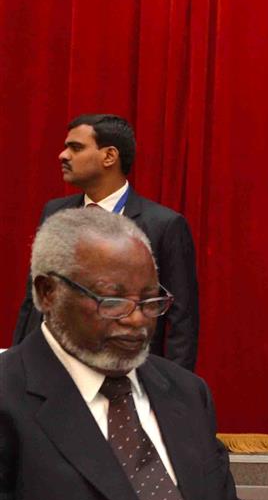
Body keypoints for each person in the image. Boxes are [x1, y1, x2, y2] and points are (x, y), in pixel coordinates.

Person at [0, 209, 261, 500]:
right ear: (47, 293)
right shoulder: (8, 399)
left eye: (150, 301)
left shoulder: (186, 393)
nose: (138, 321)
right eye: (113, 300)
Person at [13, 114, 200, 371]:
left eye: (76, 148)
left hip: (123, 369)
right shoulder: (55, 212)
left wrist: (174, 391)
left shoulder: (164, 225)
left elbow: (182, 320)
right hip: (52, 369)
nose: (63, 155)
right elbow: (32, 300)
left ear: (109, 156)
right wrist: (16, 367)